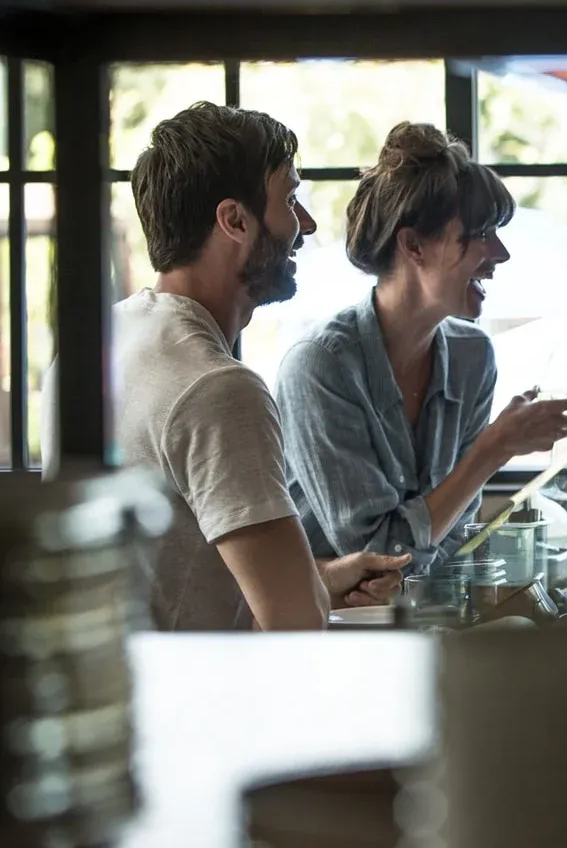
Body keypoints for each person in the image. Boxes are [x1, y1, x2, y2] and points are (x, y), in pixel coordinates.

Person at [44, 102, 409, 631]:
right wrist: (307, 596)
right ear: (234, 220)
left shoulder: (93, 349)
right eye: (290, 198)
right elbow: (296, 629)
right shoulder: (219, 388)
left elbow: (171, 573)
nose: (305, 224)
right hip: (194, 705)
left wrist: (319, 577)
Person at [274, 122, 567, 576]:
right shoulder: (320, 366)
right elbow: (379, 552)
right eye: (480, 232)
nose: (500, 253)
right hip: (325, 628)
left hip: (414, 616)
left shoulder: (473, 357)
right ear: (413, 246)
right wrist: (493, 448)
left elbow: (449, 534)